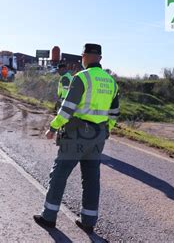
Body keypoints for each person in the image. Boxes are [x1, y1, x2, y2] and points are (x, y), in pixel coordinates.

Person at [33, 43, 120, 234]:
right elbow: (114, 113)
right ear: (100, 58)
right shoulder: (111, 82)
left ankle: (48, 216)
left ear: (84, 56)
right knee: (91, 178)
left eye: (82, 56)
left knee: (59, 174)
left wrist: (53, 127)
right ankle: (88, 221)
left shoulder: (82, 77)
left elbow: (67, 108)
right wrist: (106, 131)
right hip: (98, 135)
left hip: (77, 134)